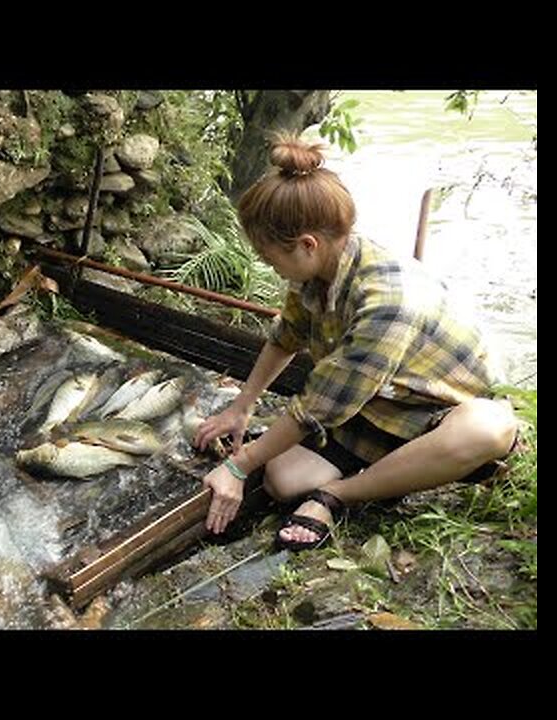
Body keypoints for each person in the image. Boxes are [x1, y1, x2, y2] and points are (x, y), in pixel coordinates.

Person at [193, 132, 519, 550]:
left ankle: (338, 495)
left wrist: (238, 468)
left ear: (307, 244)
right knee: (283, 480)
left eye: (268, 256)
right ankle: (390, 474)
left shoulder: (388, 303)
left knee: (486, 430)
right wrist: (242, 407)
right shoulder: (319, 268)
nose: (268, 266)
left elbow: (319, 407)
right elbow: (285, 336)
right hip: (380, 404)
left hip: (439, 413)